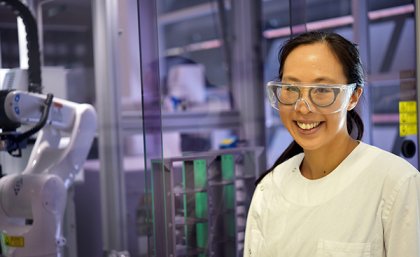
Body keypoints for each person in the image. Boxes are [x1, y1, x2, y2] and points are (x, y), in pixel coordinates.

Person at [243, 31, 420, 257]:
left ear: (353, 97)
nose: (303, 107)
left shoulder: (396, 183)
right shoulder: (269, 188)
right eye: (291, 88)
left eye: (322, 90)